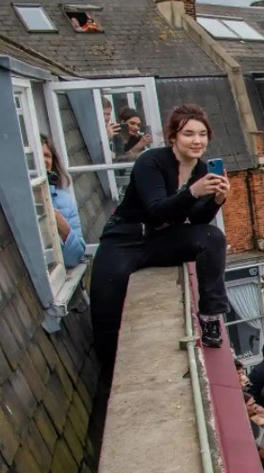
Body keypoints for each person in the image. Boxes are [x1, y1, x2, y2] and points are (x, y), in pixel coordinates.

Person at [90, 104, 231, 377]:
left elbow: (198, 220)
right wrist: (192, 192)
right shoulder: (150, 162)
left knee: (213, 238)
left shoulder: (201, 169)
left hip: (159, 239)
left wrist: (216, 200)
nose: (197, 140)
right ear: (173, 138)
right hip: (126, 238)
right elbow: (156, 208)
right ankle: (109, 375)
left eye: (202, 134)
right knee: (106, 305)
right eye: (188, 133)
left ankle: (211, 318)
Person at [41, 136, 87, 268]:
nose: (43, 160)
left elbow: (75, 257)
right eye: (38, 155)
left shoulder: (65, 200)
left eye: (47, 155)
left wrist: (64, 229)